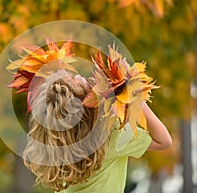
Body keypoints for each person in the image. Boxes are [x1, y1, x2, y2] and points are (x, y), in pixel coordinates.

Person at [9, 40, 172, 193]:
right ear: (89, 106)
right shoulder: (112, 135)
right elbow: (164, 141)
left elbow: (53, 111)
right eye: (79, 81)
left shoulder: (59, 148)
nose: (80, 76)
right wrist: (134, 97)